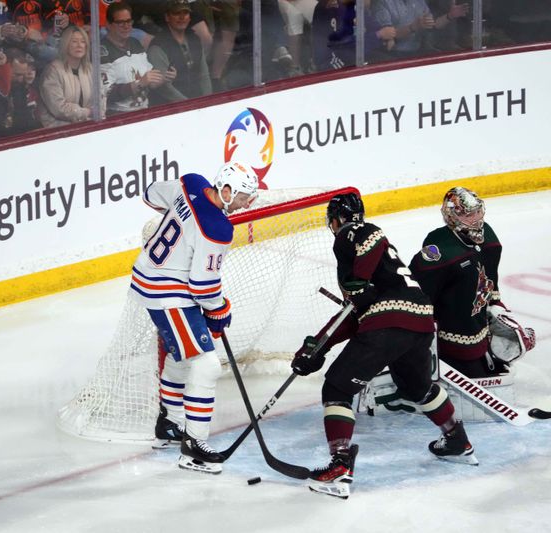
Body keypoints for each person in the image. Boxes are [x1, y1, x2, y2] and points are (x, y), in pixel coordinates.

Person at [290, 193, 477, 499]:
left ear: (335, 220)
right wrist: (319, 345)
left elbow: (373, 237)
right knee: (417, 388)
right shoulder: (381, 267)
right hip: (419, 321)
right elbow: (355, 314)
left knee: (336, 389)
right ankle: (457, 440)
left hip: (390, 320)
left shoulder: (352, 233)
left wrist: (360, 280)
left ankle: (339, 465)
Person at [131, 161, 259, 474]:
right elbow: (202, 286)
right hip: (167, 291)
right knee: (207, 364)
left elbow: (150, 195)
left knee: (185, 355)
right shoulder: (217, 227)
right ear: (226, 191)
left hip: (152, 277)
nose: (249, 202)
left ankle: (170, 423)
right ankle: (194, 447)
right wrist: (220, 308)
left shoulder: (191, 183)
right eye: (244, 196)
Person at [409, 187, 536, 378]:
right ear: (452, 217)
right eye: (468, 215)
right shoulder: (439, 247)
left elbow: (490, 278)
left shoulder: (490, 240)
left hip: (477, 325)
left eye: (477, 211)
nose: (476, 218)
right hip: (451, 330)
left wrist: (495, 305)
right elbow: (419, 289)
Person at [100, 2, 168, 115]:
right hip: (117, 115)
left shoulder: (135, 43)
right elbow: (105, 94)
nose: (126, 26)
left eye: (128, 21)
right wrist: (139, 84)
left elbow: (149, 81)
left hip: (144, 110)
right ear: (108, 24)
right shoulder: (101, 51)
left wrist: (163, 78)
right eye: (120, 23)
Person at [146, 0, 212, 106]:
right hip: (171, 107)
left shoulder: (195, 39)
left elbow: (204, 75)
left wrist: (208, 100)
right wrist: (189, 104)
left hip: (198, 102)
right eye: (176, 13)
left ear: (190, 17)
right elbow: (164, 88)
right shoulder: (158, 45)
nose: (182, 17)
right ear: (167, 17)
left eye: (185, 13)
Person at [37, 25, 98, 127]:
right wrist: (87, 113)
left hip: (87, 126)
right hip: (58, 130)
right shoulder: (53, 70)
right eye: (74, 41)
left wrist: (94, 113)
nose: (79, 45)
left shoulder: (91, 69)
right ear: (66, 44)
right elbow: (59, 108)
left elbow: (101, 99)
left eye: (83, 41)